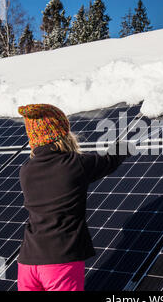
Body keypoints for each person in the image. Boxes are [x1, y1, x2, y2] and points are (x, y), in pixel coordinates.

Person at [16, 104, 131, 291]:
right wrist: (122, 149)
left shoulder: (26, 170)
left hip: (27, 262)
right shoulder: (74, 165)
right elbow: (108, 162)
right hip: (60, 260)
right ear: (62, 134)